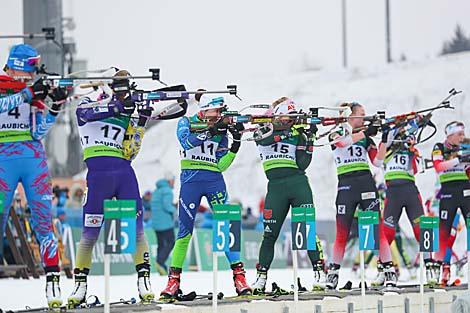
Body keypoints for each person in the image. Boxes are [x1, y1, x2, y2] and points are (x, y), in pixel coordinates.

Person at [67, 70, 157, 305]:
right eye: (117, 91)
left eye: (124, 91)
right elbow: (83, 114)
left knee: (136, 228)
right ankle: (80, 284)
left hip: (124, 175)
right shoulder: (90, 103)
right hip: (98, 178)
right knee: (90, 233)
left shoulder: (126, 113)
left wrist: (141, 123)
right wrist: (117, 106)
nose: (121, 95)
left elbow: (131, 152)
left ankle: (144, 280)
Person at [160, 92, 251, 298]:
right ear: (205, 109)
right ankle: (173, 281)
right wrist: (211, 132)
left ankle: (239, 277)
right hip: (190, 182)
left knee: (228, 227)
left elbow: (221, 165)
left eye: (221, 111)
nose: (220, 114)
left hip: (214, 181)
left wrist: (235, 144)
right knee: (184, 232)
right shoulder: (186, 122)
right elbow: (186, 143)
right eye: (217, 110)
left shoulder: (221, 130)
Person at [0, 44, 67, 307]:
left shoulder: (30, 90)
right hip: (3, 158)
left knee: (43, 223)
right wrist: (27, 93)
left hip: (33, 158)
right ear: (16, 65)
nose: (29, 78)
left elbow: (38, 132)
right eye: (27, 72)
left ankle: (53, 285)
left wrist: (54, 107)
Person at [250, 97, 327, 293]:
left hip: (298, 184)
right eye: (288, 116)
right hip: (275, 188)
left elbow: (303, 163)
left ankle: (319, 271)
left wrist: (308, 140)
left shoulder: (297, 132)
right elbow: (263, 139)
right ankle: (261, 277)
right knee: (269, 235)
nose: (291, 120)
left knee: (307, 230)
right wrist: (285, 132)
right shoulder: (264, 127)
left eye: (293, 117)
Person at [326, 102, 397, 289]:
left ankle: (389, 271)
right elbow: (341, 142)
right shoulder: (336, 132)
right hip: (346, 185)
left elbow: (377, 162)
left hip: (365, 182)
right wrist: (367, 132)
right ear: (349, 117)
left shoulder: (365, 138)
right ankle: (333, 274)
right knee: (342, 232)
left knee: (377, 228)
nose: (365, 118)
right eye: (361, 115)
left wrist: (385, 141)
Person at [380, 123, 437, 284]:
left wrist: (411, 150)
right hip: (392, 193)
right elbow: (378, 158)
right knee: (387, 233)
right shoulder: (386, 148)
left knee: (422, 230)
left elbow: (415, 169)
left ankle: (430, 268)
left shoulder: (411, 150)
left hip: (410, 191)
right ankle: (382, 270)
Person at [431, 121, 470, 285]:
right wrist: (458, 159)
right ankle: (442, 268)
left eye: (463, 134)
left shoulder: (467, 146)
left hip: (465, 191)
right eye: (459, 134)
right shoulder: (439, 146)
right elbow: (438, 166)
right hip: (447, 193)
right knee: (445, 233)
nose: (463, 137)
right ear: (450, 135)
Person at [151, 174, 177, 275]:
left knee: (161, 244)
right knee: (171, 242)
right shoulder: (167, 191)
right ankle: (160, 262)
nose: (174, 183)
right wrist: (175, 209)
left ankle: (160, 265)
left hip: (156, 223)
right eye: (173, 180)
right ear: (169, 181)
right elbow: (167, 206)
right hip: (165, 222)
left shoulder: (156, 191)